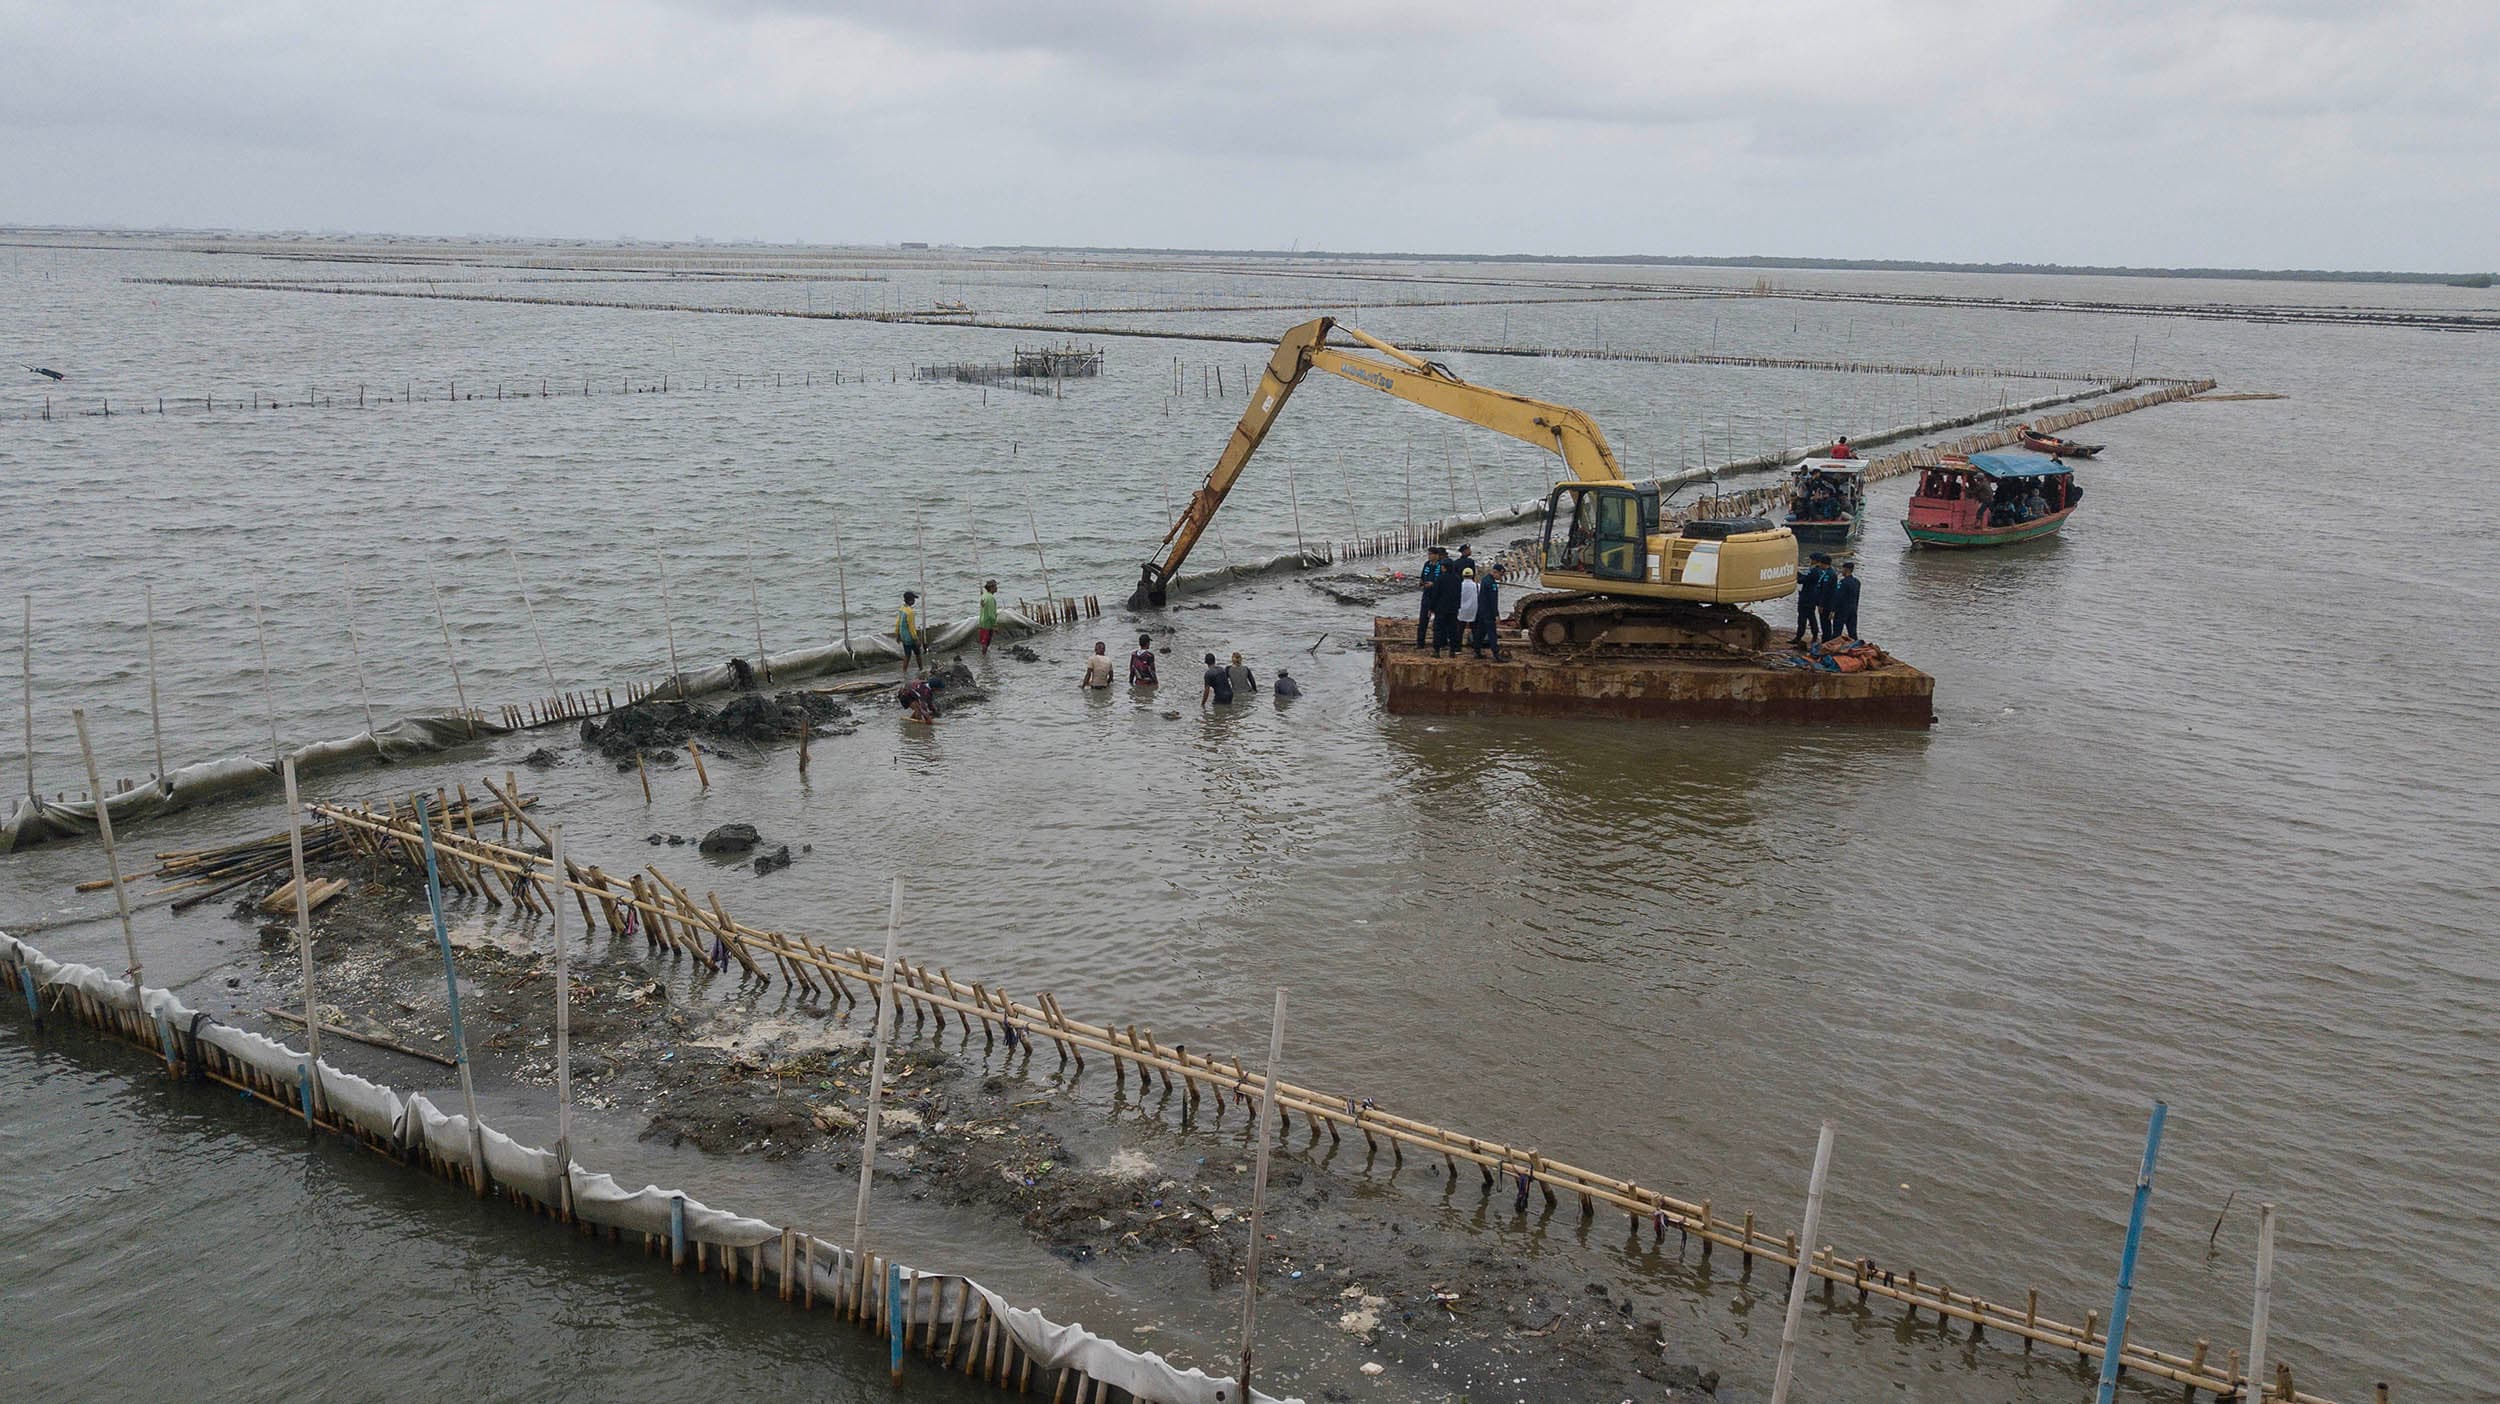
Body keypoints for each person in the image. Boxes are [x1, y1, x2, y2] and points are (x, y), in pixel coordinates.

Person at [1791, 553, 1833, 646]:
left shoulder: (1813, 571)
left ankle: (1798, 637)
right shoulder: (1821, 572)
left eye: (1812, 560)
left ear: (1815, 560)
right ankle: (1815, 634)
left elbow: (1802, 580)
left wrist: (1795, 573)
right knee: (1811, 616)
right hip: (1814, 598)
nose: (1810, 561)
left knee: (1802, 618)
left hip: (1806, 597)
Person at [1414, 546, 1449, 646]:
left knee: (1440, 620)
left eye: (1430, 554)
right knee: (1423, 619)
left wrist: (1433, 584)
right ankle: (1420, 642)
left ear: (1436, 555)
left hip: (1438, 595)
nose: (1429, 556)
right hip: (1427, 594)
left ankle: (1441, 642)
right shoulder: (1427, 564)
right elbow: (1422, 576)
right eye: (1428, 554)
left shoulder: (1441, 566)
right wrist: (1421, 582)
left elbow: (1443, 581)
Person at [1431, 558, 1466, 656]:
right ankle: (1452, 651)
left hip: (1441, 608)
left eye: (1442, 566)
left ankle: (1437, 651)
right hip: (1453, 609)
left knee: (1438, 629)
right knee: (1452, 630)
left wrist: (1432, 607)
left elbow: (1435, 594)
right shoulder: (1457, 579)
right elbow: (1459, 594)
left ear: (1445, 567)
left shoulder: (1440, 579)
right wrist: (1458, 607)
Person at [1473, 564, 1505, 660]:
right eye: (1500, 575)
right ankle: (1496, 654)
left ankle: (1477, 651)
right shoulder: (1492, 584)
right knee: (1492, 634)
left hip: (1482, 611)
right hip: (1489, 613)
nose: (1501, 577)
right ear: (1495, 572)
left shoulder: (1485, 580)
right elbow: (1493, 601)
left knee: (1480, 633)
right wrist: (1496, 615)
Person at [1831, 561, 1861, 642]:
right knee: (1852, 632)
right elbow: (1857, 597)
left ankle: (1833, 648)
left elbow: (1838, 597)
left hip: (1842, 610)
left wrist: (1833, 610)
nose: (1841, 571)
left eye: (1842, 569)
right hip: (1853, 609)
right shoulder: (1857, 582)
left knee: (1837, 632)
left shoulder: (1843, 582)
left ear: (1846, 569)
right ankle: (1856, 647)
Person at [895, 590, 923, 676]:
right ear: (910, 600)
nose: (914, 601)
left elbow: (897, 623)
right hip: (910, 637)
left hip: (903, 636)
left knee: (907, 655)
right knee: (918, 653)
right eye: (913, 599)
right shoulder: (910, 612)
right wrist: (916, 639)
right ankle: (921, 669)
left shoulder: (902, 609)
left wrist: (898, 634)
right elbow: (911, 627)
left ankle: (904, 671)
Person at [1455, 569, 1481, 648]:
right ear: (1472, 575)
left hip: (1462, 609)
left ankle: (1457, 648)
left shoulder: (1459, 585)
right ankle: (1476, 648)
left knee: (1460, 629)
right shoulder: (1477, 586)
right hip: (1473, 609)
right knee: (1475, 630)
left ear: (1462, 576)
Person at [977, 580, 999, 656]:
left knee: (984, 642)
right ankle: (984, 659)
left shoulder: (984, 596)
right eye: (995, 586)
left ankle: (984, 658)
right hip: (988, 623)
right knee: (986, 642)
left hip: (982, 622)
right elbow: (991, 614)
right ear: (991, 588)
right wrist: (994, 626)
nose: (997, 588)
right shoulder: (990, 598)